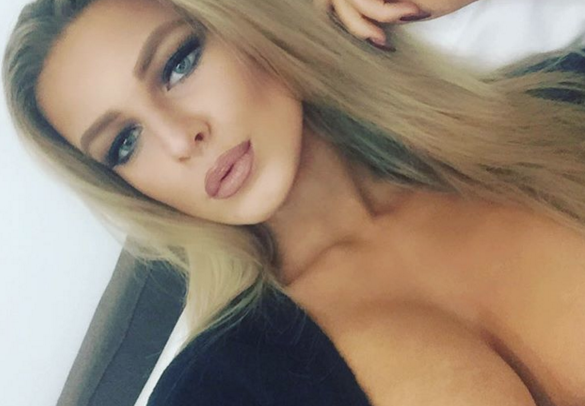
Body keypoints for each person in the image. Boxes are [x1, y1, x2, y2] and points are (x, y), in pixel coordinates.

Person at [3, 0, 585, 404]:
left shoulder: (552, 110)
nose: (180, 140)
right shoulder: (218, 389)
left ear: (251, 17)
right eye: (125, 144)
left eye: (178, 64)